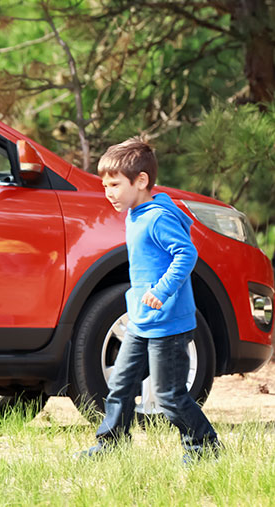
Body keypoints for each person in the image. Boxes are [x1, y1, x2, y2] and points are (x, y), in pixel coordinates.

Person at [79, 136, 220, 462]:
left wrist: (161, 291)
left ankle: (203, 446)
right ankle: (110, 443)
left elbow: (186, 254)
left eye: (114, 184)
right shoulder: (136, 214)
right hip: (142, 319)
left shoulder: (158, 217)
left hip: (168, 322)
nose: (108, 193)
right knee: (122, 385)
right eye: (104, 185)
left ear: (141, 180)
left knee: (170, 396)